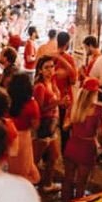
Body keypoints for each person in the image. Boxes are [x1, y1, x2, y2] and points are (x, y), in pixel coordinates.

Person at [62, 78, 102, 202]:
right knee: (81, 183)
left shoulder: (74, 106)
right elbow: (101, 133)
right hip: (87, 147)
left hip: (73, 143)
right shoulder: (98, 110)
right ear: (94, 94)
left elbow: (65, 126)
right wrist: (100, 145)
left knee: (68, 179)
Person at [33, 55, 62, 191]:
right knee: (35, 158)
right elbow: (39, 109)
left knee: (53, 156)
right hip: (44, 125)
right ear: (40, 70)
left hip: (53, 124)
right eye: (46, 67)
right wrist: (57, 103)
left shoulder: (52, 83)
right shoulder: (40, 86)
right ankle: (31, 184)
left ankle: (47, 183)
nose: (50, 70)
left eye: (52, 67)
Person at [7, 72, 41, 184]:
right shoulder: (31, 104)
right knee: (23, 168)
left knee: (10, 165)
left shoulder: (7, 101)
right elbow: (35, 125)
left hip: (8, 135)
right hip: (23, 138)